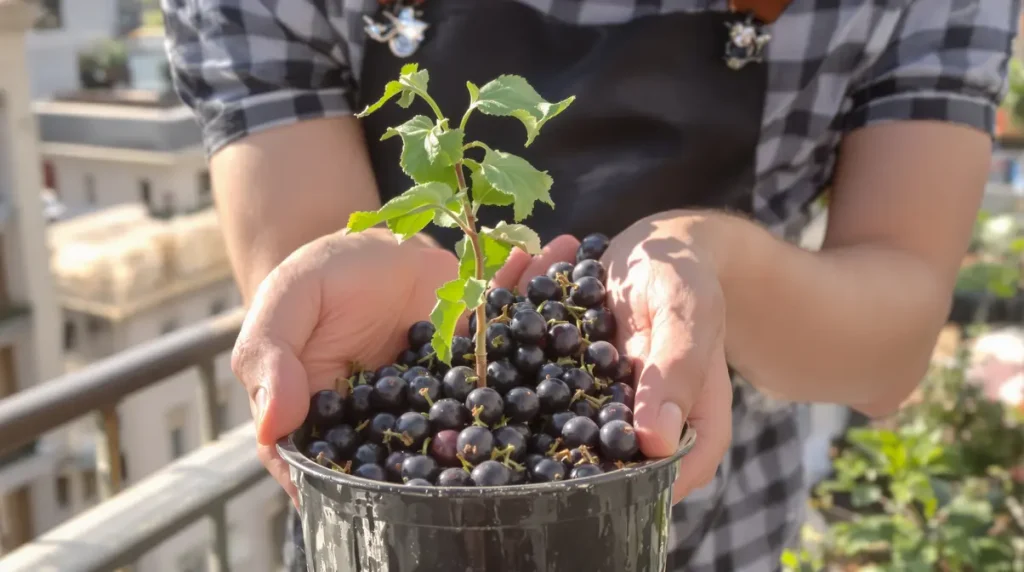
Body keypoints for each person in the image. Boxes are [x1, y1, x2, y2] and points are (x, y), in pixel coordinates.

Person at [161, 0, 1018, 569]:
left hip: (711, 536)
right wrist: (345, 282)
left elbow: (893, 339)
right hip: (387, 542)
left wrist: (706, 266)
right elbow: (315, 266)